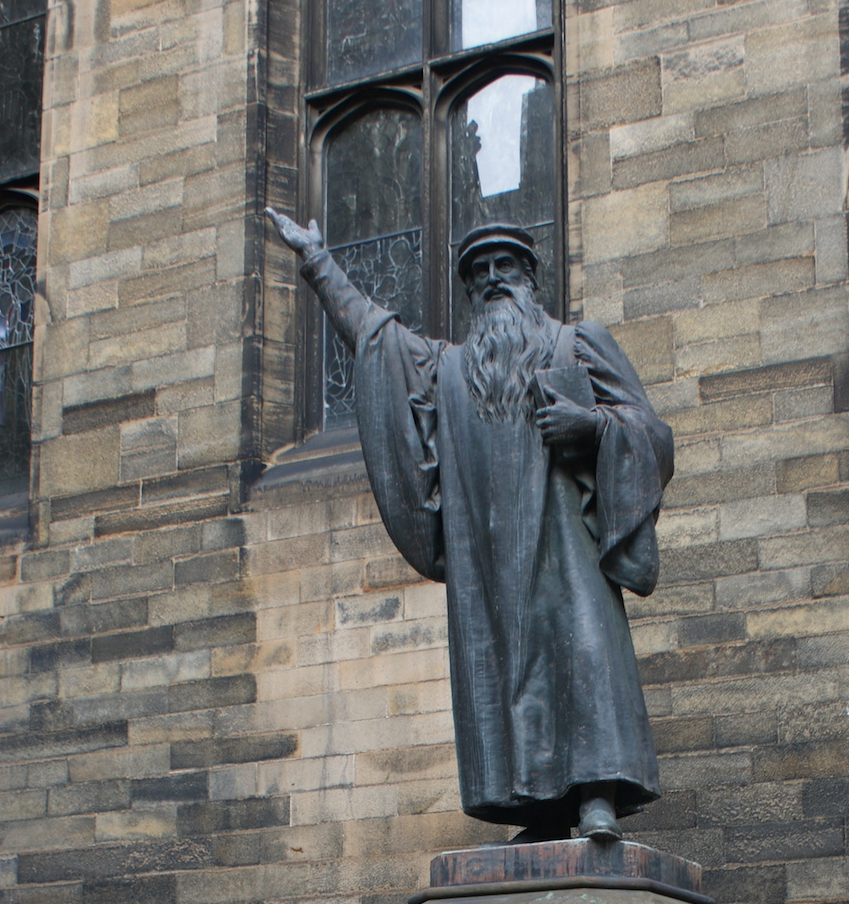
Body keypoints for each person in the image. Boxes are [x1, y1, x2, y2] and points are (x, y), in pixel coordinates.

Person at [265, 209, 672, 842]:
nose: (491, 279)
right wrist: (319, 264)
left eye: (503, 266)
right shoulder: (447, 369)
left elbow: (652, 434)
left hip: (568, 548)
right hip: (489, 559)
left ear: (529, 276)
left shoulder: (578, 344)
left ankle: (596, 798)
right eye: (477, 272)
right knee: (504, 667)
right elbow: (377, 340)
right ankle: (540, 809)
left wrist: (592, 428)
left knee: (584, 652)